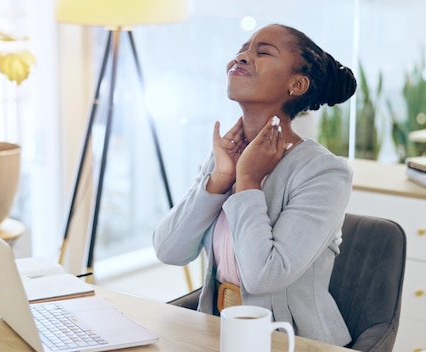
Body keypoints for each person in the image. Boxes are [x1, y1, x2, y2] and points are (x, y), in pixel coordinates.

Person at [152, 23, 357, 346]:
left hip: (293, 341)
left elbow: (265, 277)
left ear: (297, 84)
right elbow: (169, 250)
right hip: (219, 333)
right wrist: (220, 179)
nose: (243, 57)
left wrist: (247, 182)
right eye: (242, 49)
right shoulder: (225, 157)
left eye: (263, 52)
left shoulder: (324, 172)